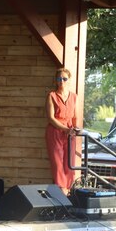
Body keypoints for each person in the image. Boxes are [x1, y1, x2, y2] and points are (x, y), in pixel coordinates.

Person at [45, 67, 78, 195]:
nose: (62, 81)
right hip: (55, 131)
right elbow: (51, 118)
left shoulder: (74, 97)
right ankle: (61, 191)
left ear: (69, 80)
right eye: (59, 79)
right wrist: (66, 129)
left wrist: (75, 129)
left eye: (64, 78)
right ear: (56, 80)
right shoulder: (52, 95)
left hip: (70, 132)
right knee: (57, 164)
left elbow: (75, 117)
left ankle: (68, 190)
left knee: (69, 163)